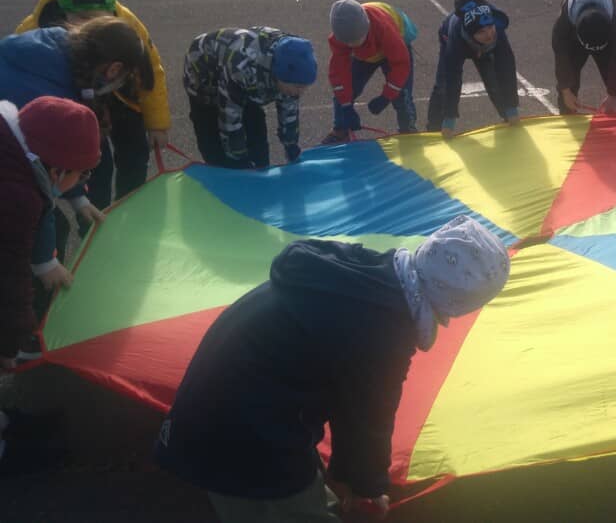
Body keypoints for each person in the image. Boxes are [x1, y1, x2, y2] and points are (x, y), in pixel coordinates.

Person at [155, 215, 511, 522]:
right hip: (238, 440)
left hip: (217, 408)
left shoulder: (362, 275)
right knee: (277, 508)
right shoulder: (383, 327)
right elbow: (367, 419)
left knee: (292, 486)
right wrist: (366, 486)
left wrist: (351, 480)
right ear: (460, 302)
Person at [0, 17, 151, 295]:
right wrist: (45, 263)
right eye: (125, 78)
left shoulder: (58, 46)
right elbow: (38, 186)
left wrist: (78, 198)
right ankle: (34, 305)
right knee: (40, 232)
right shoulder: (49, 99)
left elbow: (53, 169)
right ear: (114, 69)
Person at [16, 0, 172, 204]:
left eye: (99, 18)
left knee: (134, 154)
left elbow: (150, 71)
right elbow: (21, 74)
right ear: (64, 11)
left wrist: (157, 124)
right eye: (82, 18)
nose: (91, 25)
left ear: (111, 10)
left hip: (121, 97)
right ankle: (95, 215)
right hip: (79, 100)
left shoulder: (128, 23)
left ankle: (130, 206)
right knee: (94, 164)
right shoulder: (34, 30)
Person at [0, 96, 101, 477]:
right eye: (82, 175)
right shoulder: (15, 194)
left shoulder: (15, 150)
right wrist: (9, 341)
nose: (83, 182)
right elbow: (9, 278)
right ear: (57, 170)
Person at [183, 27, 316, 170]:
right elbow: (229, 118)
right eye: (298, 87)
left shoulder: (295, 63)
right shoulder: (243, 70)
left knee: (257, 142)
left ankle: (259, 168)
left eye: (305, 87)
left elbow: (289, 110)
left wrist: (291, 146)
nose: (301, 92)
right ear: (279, 75)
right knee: (215, 149)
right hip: (203, 73)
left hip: (249, 75)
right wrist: (239, 158)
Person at [323, 0, 419, 144]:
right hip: (365, 55)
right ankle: (341, 129)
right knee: (349, 88)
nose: (353, 44)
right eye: (349, 43)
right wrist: (346, 105)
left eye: (357, 40)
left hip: (395, 47)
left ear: (366, 28)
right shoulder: (340, 39)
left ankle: (408, 130)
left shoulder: (385, 29)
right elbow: (339, 75)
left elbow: (400, 65)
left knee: (402, 93)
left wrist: (386, 96)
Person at [427, 0, 521, 138]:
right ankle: (433, 129)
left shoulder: (497, 31)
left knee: (494, 81)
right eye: (482, 32)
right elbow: (453, 78)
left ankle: (507, 116)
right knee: (443, 86)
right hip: (452, 41)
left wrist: (512, 107)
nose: (489, 34)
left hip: (483, 48)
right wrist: (449, 119)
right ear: (471, 34)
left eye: (490, 27)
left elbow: (506, 67)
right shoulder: (455, 40)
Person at [551, 0, 616, 115]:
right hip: (575, 37)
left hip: (605, 37)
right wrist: (565, 91)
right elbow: (561, 57)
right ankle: (567, 115)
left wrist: (613, 95)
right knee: (568, 84)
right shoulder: (564, 23)